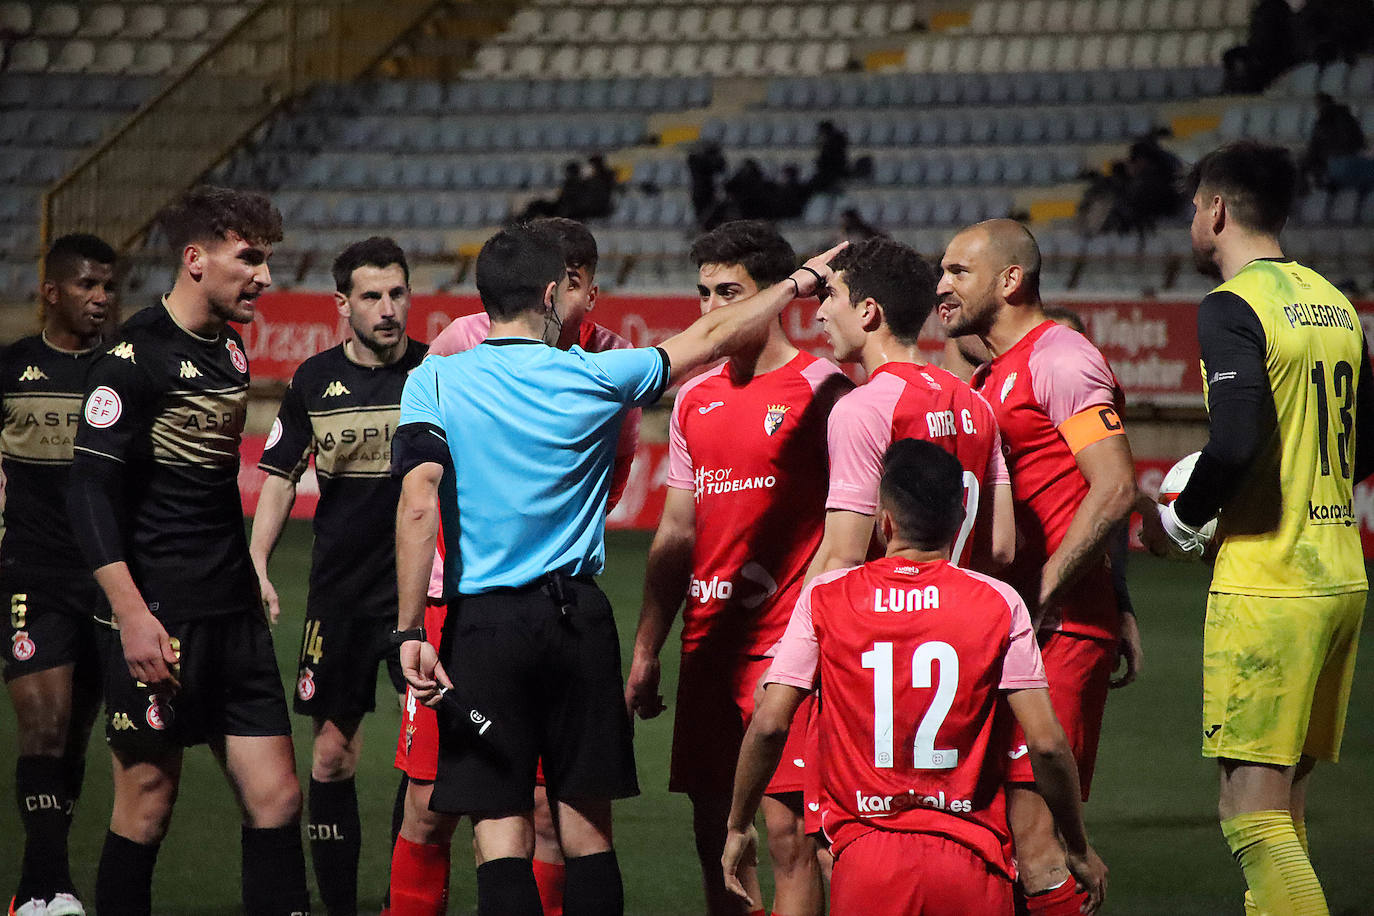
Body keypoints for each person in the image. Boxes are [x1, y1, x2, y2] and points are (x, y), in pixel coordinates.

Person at [392, 223, 847, 916]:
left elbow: (418, 501)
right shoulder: (601, 375)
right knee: (585, 832)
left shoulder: (436, 377)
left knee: (500, 832)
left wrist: (406, 632)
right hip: (577, 622)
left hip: (484, 625)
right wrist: (798, 283)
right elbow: (708, 340)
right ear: (551, 292)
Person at [722, 439, 1108, 916]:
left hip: (868, 863)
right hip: (972, 862)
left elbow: (770, 723)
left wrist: (739, 823)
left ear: (884, 521)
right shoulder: (999, 602)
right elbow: (1047, 744)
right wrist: (1076, 844)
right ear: (960, 517)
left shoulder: (826, 596)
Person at [1141, 141, 1372, 916]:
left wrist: (1183, 518)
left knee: (1250, 816)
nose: (1189, 221)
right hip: (1340, 573)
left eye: (1192, 207)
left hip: (1271, 584)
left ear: (1216, 210)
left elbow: (1235, 442)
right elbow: (1367, 443)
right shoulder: (1334, 302)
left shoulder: (1231, 306)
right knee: (1286, 813)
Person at [66, 186, 310, 916]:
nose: (264, 277)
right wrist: (133, 616)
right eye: (251, 259)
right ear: (196, 259)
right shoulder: (130, 359)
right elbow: (88, 497)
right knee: (147, 804)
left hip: (232, 610)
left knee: (278, 799)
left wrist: (253, 573)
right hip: (162, 617)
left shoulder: (231, 348)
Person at [388, 217, 638, 916]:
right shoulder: (458, 349)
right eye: (581, 286)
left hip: (519, 607)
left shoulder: (606, 357)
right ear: (560, 287)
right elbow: (423, 494)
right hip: (458, 599)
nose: (588, 303)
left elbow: (612, 474)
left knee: (541, 812)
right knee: (434, 801)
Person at [625, 220, 852, 916]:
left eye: (729, 291)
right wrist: (647, 650)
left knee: (788, 834)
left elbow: (854, 527)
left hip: (788, 646)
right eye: (702, 294)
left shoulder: (826, 387)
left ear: (774, 297)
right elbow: (676, 532)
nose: (711, 309)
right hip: (708, 645)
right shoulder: (694, 397)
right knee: (711, 830)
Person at [937, 219, 1137, 916]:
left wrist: (1047, 589)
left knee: (1035, 834)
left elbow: (1113, 488)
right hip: (1016, 629)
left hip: (1060, 630)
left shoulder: (1061, 358)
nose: (943, 284)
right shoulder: (995, 373)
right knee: (994, 829)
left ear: (1010, 280)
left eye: (959, 270)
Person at [249, 236, 427, 916]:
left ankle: (402, 906)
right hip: (339, 598)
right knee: (330, 758)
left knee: (423, 770)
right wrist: (258, 562)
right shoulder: (311, 380)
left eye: (397, 294)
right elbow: (277, 480)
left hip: (420, 596)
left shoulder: (435, 375)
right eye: (372, 297)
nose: (387, 309)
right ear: (342, 305)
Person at [2, 233, 116, 916]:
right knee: (42, 727)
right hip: (30, 575)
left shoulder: (121, 373)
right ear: (51, 291)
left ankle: (35, 888)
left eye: (108, 285)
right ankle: (57, 889)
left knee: (73, 737)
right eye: (86, 285)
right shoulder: (12, 368)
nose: (100, 297)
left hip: (104, 583)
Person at [808, 235, 1013, 581]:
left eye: (830, 296)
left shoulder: (863, 409)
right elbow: (1001, 548)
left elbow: (841, 558)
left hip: (886, 625)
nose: (820, 313)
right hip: (953, 622)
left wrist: (790, 635)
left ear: (868, 311)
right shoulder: (975, 402)